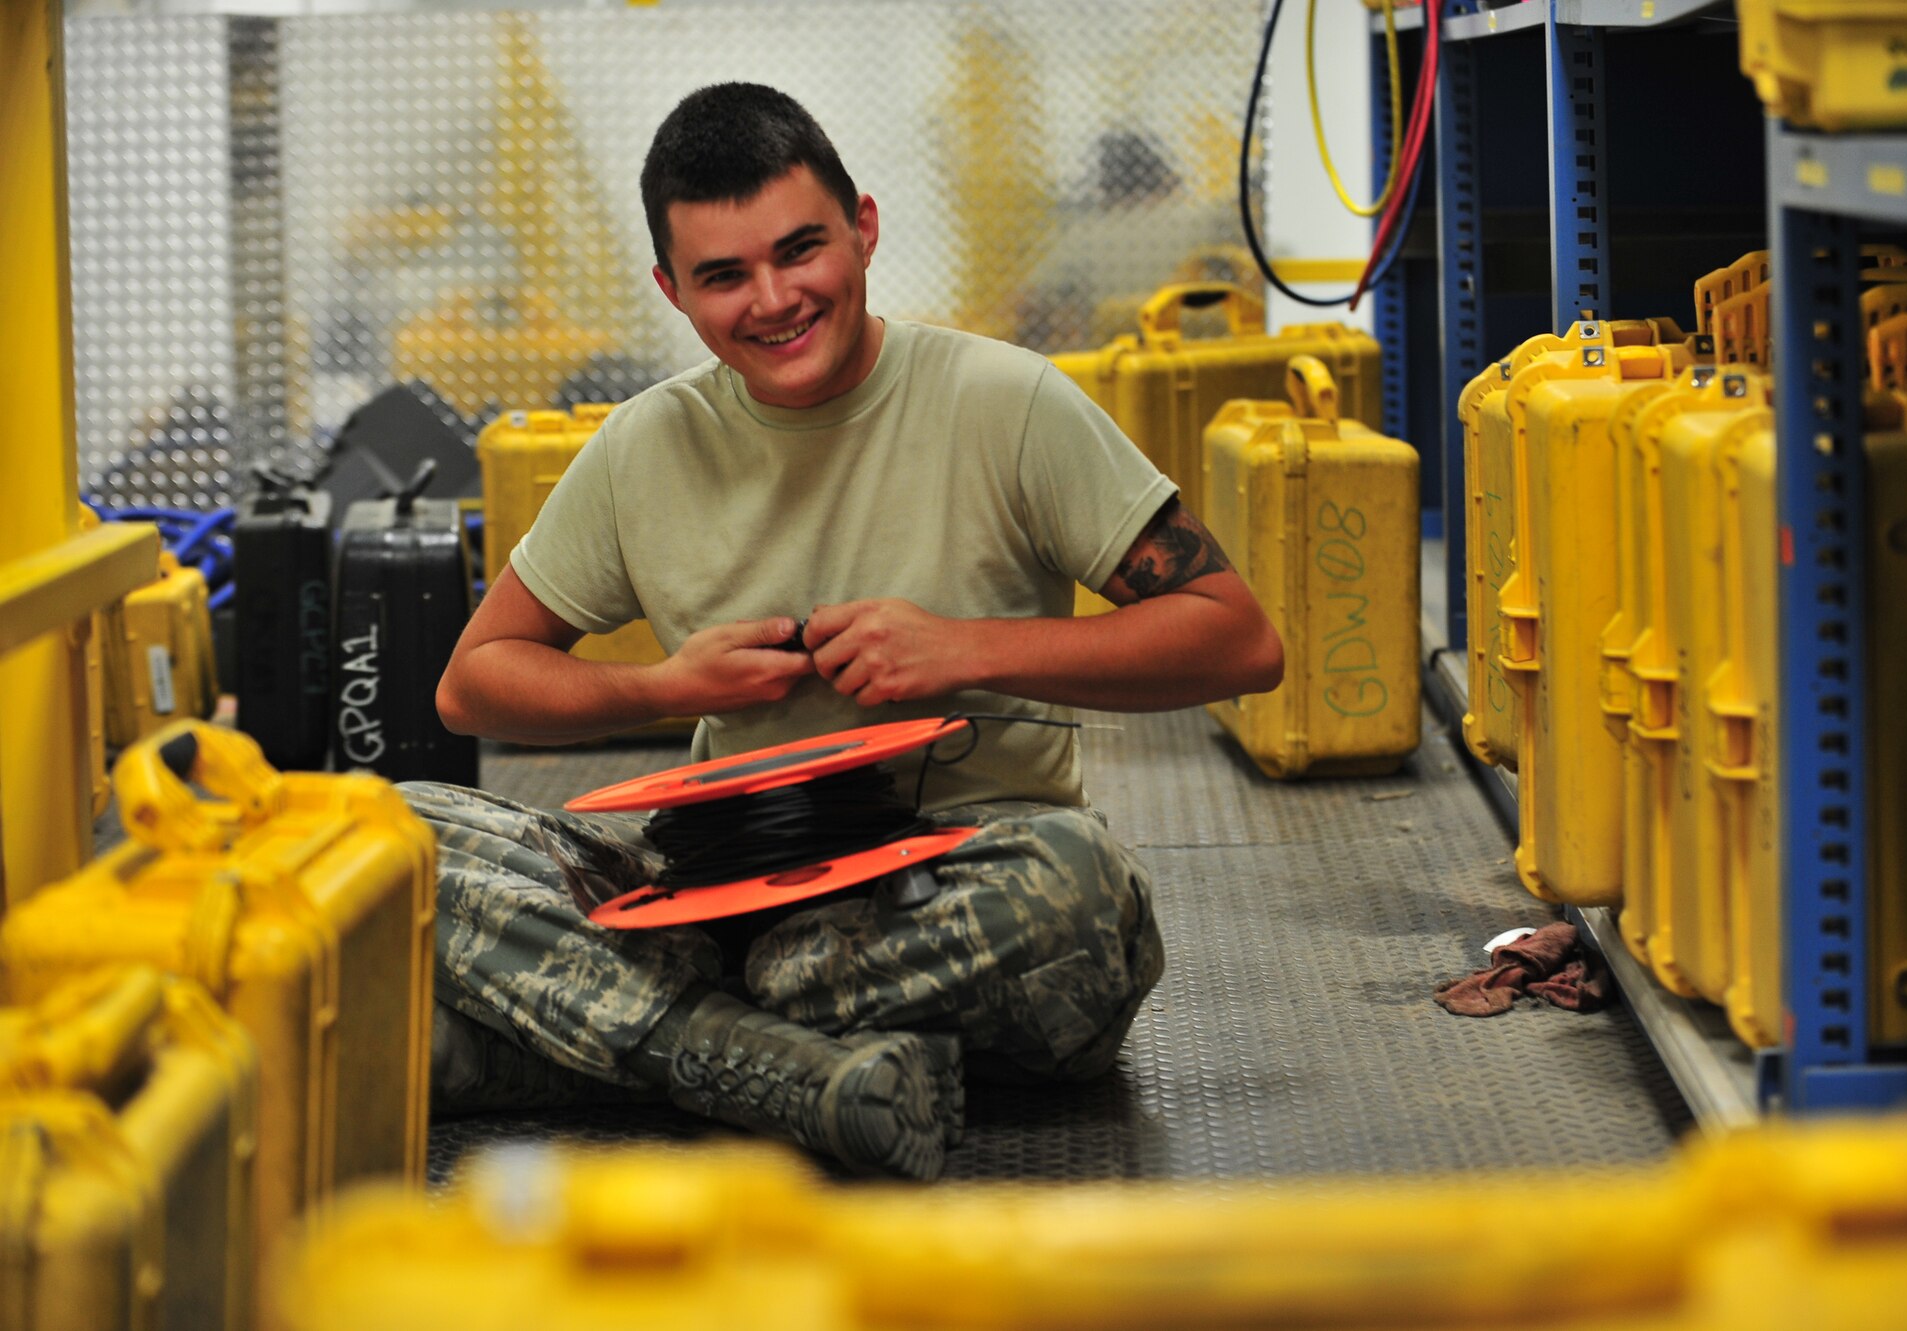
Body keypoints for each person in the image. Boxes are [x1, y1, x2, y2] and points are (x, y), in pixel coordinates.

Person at [410, 82, 1282, 1180]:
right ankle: (770, 1061)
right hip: (717, 886)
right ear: (670, 290)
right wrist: (668, 686)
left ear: (862, 228)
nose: (773, 298)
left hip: (960, 888)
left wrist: (963, 649)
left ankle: (631, 1033)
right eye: (723, 276)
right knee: (396, 835)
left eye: (800, 250)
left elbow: (1236, 637)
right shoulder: (644, 447)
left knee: (1077, 896)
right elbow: (474, 681)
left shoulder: (1008, 402)